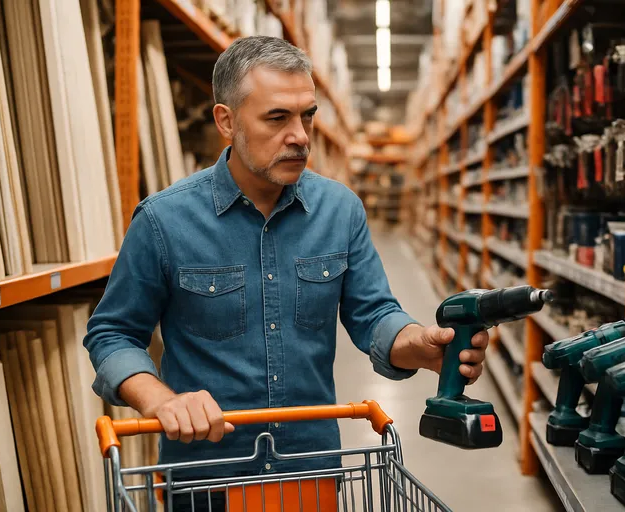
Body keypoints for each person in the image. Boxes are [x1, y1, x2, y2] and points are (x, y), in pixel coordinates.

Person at [84, 35, 488, 510]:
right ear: (226, 121)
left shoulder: (341, 210)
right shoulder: (163, 221)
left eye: (308, 115)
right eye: (277, 118)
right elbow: (112, 333)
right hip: (206, 480)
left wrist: (416, 344)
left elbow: (373, 312)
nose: (300, 135)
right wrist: (159, 399)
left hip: (310, 472)